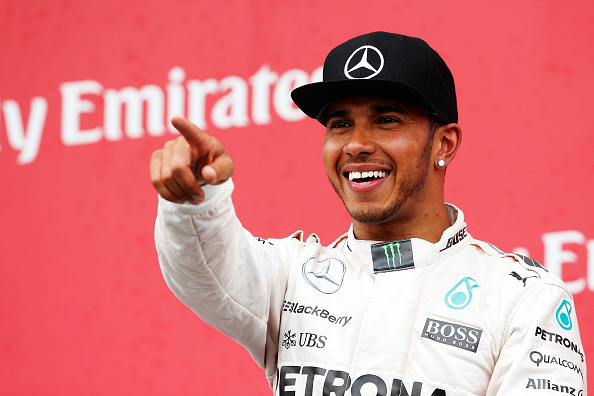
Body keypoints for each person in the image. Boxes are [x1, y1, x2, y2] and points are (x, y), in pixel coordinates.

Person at [150, 32, 587, 395]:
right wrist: (198, 194)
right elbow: (204, 268)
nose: (356, 144)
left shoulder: (524, 300)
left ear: (444, 144)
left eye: (387, 120)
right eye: (340, 123)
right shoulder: (293, 275)